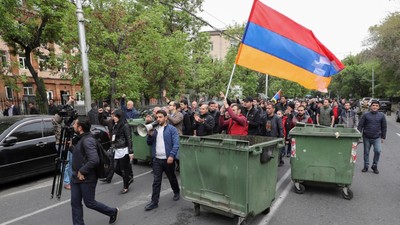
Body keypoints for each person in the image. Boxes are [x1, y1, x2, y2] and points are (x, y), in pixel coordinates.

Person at [70, 117, 119, 225]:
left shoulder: (88, 140)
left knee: (89, 203)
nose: (73, 126)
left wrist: (82, 171)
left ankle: (112, 211)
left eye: (75, 124)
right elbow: (81, 155)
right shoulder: (81, 138)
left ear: (80, 128)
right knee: (75, 203)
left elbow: (94, 160)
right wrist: (70, 147)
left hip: (87, 178)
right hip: (76, 177)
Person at [145, 110, 180, 211]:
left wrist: (172, 156)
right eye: (157, 117)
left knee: (172, 177)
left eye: (160, 117)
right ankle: (154, 202)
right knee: (156, 181)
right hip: (157, 159)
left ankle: (176, 191)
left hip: (168, 159)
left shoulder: (172, 129)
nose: (158, 119)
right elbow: (149, 143)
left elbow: (176, 144)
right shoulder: (154, 129)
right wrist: (150, 135)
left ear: (165, 118)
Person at [357, 100, 387, 174]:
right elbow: (360, 125)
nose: (375, 107)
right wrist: (358, 134)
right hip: (366, 137)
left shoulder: (381, 115)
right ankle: (366, 166)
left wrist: (383, 137)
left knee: (378, 151)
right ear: (371, 106)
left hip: (377, 137)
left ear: (379, 107)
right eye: (373, 105)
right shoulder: (366, 115)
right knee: (366, 152)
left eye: (376, 106)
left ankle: (374, 165)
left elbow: (384, 126)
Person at [111, 110, 134, 194]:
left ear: (119, 117)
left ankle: (125, 186)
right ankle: (128, 178)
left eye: (115, 116)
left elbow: (129, 138)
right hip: (117, 149)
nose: (113, 118)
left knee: (123, 169)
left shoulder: (125, 125)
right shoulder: (116, 125)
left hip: (124, 149)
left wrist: (130, 151)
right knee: (116, 168)